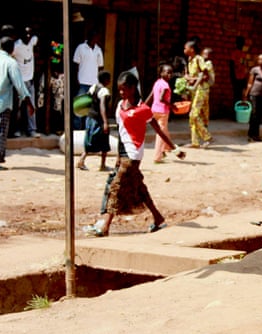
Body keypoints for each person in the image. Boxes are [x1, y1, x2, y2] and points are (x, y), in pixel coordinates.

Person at [84, 71, 185, 237]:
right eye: (120, 89)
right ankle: (158, 218)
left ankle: (104, 226)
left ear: (132, 88)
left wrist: (174, 148)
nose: (122, 93)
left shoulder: (143, 110)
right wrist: (117, 156)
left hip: (133, 155)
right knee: (140, 189)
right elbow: (122, 133)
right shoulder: (119, 105)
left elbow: (158, 129)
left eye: (125, 89)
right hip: (123, 152)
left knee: (115, 188)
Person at [0, 36, 34, 171]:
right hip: (2, 101)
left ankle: (0, 157)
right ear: (12, 48)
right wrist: (29, 103)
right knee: (0, 132)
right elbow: (20, 85)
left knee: (0, 130)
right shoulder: (10, 62)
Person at [77, 71, 112, 171]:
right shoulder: (104, 91)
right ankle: (102, 165)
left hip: (90, 118)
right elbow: (103, 106)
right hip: (99, 120)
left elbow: (86, 100)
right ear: (106, 80)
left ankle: (82, 160)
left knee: (90, 140)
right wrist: (105, 122)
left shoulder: (93, 87)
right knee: (103, 142)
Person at [145, 64, 177, 163]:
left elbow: (151, 95)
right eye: (167, 72)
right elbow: (162, 98)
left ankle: (166, 149)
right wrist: (171, 105)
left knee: (164, 130)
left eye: (171, 73)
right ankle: (157, 157)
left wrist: (145, 105)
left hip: (154, 110)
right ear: (161, 73)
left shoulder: (157, 82)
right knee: (160, 134)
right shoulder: (165, 85)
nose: (169, 75)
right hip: (163, 112)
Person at [72, 30, 104, 130]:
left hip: (93, 84)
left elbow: (100, 67)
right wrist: (76, 79)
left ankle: (87, 130)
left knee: (90, 108)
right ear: (90, 37)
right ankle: (77, 130)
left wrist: (98, 81)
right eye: (94, 38)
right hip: (82, 82)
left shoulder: (98, 50)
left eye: (97, 38)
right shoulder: (81, 48)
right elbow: (75, 65)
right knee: (80, 107)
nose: (96, 40)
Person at [183, 39, 212, 148]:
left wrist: (193, 81)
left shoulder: (199, 59)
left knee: (194, 115)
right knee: (193, 116)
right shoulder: (190, 60)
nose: (184, 50)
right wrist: (188, 78)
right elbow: (194, 76)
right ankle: (195, 142)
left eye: (186, 48)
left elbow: (205, 75)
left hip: (201, 90)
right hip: (194, 91)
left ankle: (206, 136)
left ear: (192, 49)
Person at [12, 26, 40, 138]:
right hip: (20, 82)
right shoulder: (17, 46)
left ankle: (31, 130)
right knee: (17, 107)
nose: (28, 36)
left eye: (30, 34)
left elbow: (36, 38)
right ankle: (15, 130)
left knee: (31, 106)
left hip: (30, 81)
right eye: (26, 34)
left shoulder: (32, 41)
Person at [243, 53, 262, 142]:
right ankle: (250, 135)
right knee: (254, 114)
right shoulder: (254, 70)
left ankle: (256, 135)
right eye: (260, 59)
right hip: (254, 94)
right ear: (257, 61)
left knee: (259, 115)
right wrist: (246, 94)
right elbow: (250, 83)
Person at [229, 36, 249, 105]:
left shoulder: (243, 54)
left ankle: (241, 111)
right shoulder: (234, 53)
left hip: (242, 78)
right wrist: (233, 78)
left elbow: (245, 66)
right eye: (240, 43)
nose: (241, 44)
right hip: (236, 78)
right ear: (237, 43)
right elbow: (231, 66)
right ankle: (235, 112)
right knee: (236, 96)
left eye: (242, 43)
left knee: (242, 95)